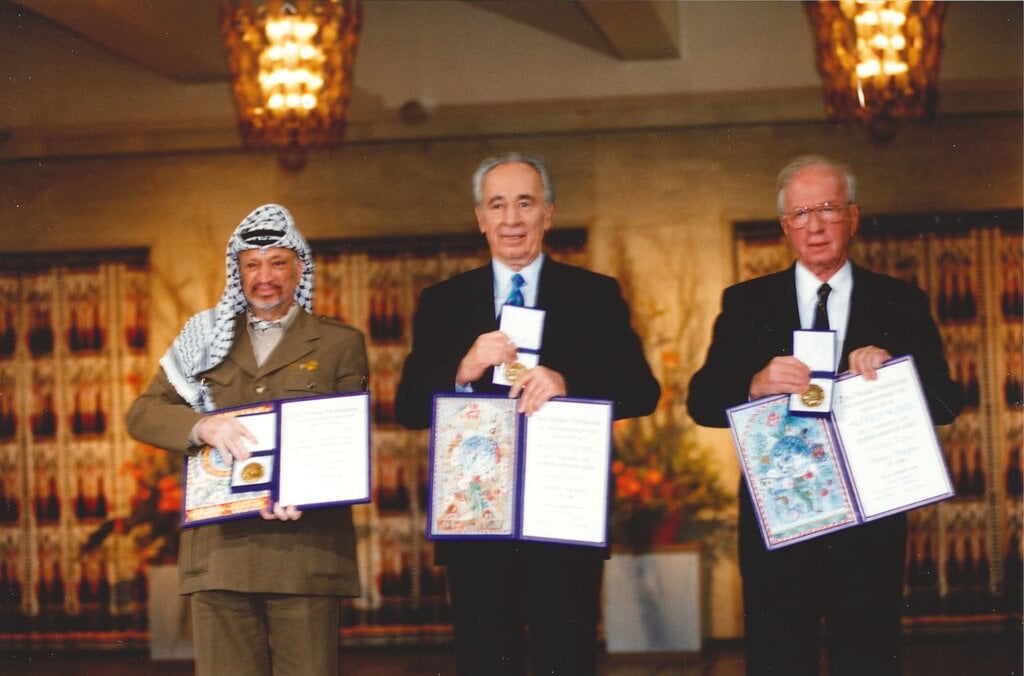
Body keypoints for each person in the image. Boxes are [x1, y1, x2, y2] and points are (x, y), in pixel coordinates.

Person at [687, 155, 964, 676]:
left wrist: (896, 373)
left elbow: (948, 403)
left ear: (853, 218)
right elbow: (701, 401)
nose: (814, 226)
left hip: (870, 527)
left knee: (869, 659)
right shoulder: (747, 303)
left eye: (828, 210)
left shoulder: (900, 302)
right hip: (780, 520)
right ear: (785, 226)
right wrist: (754, 384)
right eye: (801, 213)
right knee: (776, 659)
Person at [395, 152, 660, 675]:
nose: (512, 219)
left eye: (525, 203)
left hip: (563, 514)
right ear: (480, 218)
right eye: (498, 205)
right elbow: (407, 405)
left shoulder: (594, 295)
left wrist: (570, 384)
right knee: (483, 660)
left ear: (549, 213)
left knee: (568, 658)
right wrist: (463, 367)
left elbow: (642, 390)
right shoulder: (444, 301)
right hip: (475, 519)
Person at [126, 204, 368, 676]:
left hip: (305, 555)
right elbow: (143, 413)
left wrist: (312, 490)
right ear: (237, 271)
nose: (265, 277)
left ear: (300, 267)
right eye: (252, 264)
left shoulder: (339, 343)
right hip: (221, 558)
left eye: (278, 262)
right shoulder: (204, 337)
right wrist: (201, 426)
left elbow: (344, 436)